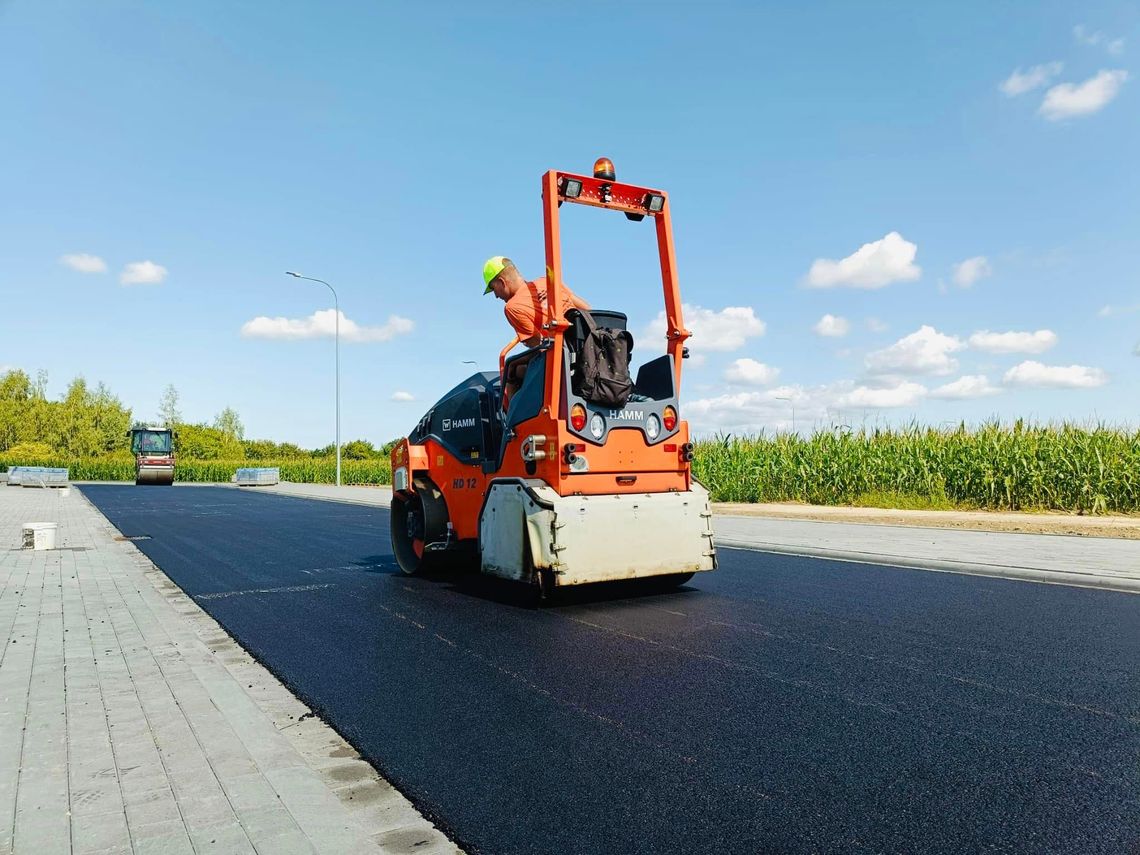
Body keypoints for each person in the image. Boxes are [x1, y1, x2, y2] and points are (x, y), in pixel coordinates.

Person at [483, 256, 590, 347]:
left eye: (493, 289)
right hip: (588, 346)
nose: (496, 296)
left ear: (502, 282)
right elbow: (586, 309)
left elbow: (539, 344)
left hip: (562, 356)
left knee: (512, 366)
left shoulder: (512, 307)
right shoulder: (547, 281)